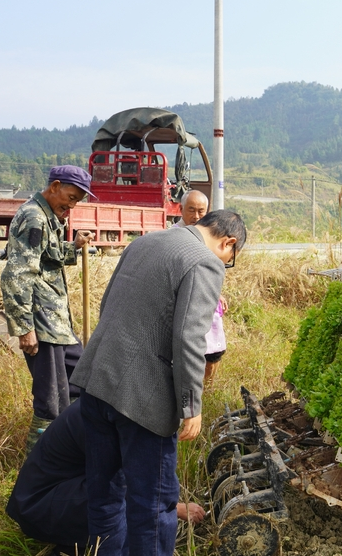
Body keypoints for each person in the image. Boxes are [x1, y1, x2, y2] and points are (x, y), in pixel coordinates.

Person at [71, 209, 245, 555]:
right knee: (152, 504)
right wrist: (191, 405)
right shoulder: (204, 262)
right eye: (230, 260)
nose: (225, 264)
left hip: (96, 380)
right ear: (229, 243)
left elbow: (108, 304)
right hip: (142, 402)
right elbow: (189, 339)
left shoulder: (146, 241)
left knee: (105, 494)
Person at [5, 398, 206, 553]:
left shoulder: (108, 402)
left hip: (60, 496)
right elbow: (125, 480)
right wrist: (174, 508)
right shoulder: (104, 417)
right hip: (39, 506)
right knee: (119, 505)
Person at [1, 166, 94, 452]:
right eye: (71, 197)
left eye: (77, 200)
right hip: (42, 323)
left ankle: (73, 451)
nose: (72, 205)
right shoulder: (34, 218)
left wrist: (74, 245)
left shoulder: (48, 217)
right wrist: (25, 327)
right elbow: (17, 275)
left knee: (82, 381)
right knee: (51, 402)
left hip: (58, 324)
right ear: (55, 187)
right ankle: (39, 467)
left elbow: (47, 256)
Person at [172, 189, 226, 383]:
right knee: (187, 352)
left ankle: (207, 391)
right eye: (191, 210)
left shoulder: (209, 236)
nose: (196, 216)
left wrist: (216, 293)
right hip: (183, 302)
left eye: (201, 211)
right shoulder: (172, 236)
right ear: (181, 209)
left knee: (213, 353)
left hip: (206, 300)